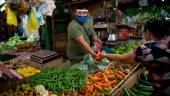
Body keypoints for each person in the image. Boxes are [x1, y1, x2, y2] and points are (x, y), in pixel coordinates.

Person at [99, 19, 170, 96]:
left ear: (148, 32)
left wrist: (105, 55)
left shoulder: (148, 49)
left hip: (164, 90)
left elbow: (122, 59)